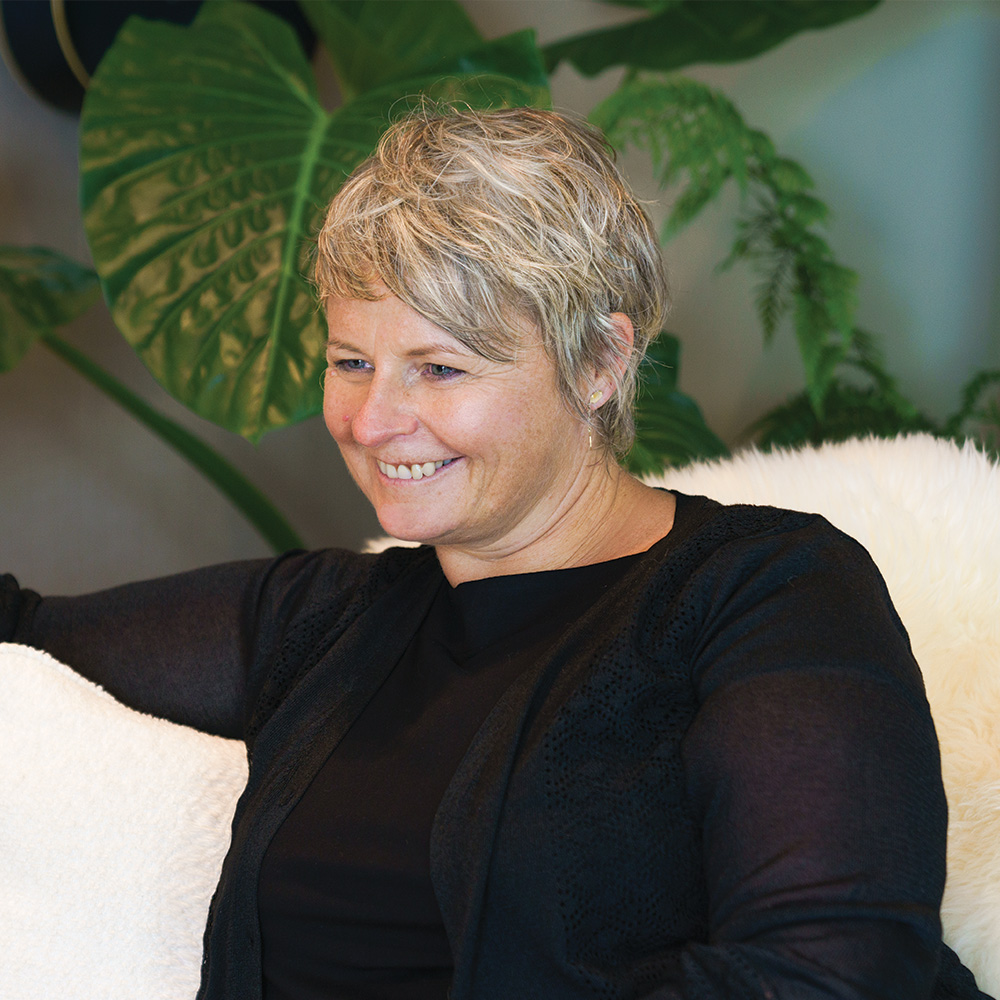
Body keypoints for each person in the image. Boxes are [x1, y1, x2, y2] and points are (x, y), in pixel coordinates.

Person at [0, 106, 990, 1000]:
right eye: (352, 362)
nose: (373, 420)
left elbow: (831, 973)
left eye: (438, 367)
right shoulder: (323, 621)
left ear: (599, 362)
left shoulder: (765, 594)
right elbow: (23, 630)